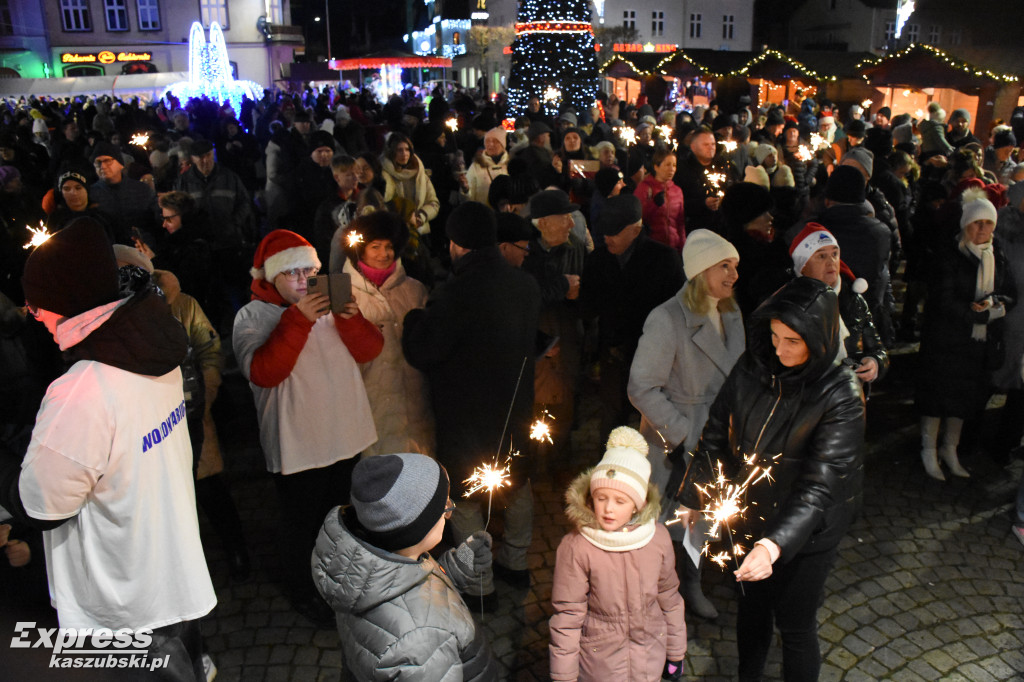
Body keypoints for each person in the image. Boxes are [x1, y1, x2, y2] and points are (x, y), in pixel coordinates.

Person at [0, 218, 216, 678]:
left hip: (122, 604)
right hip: (171, 575)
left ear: (67, 301)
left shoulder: (84, 390)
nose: (34, 316)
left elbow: (43, 504)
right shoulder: (155, 343)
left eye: (40, 306)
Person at [676, 276, 865, 682]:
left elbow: (819, 486)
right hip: (750, 515)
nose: (779, 350)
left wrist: (773, 545)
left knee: (796, 626)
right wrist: (694, 494)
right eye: (775, 336)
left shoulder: (841, 394)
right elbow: (715, 433)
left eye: (792, 341)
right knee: (752, 611)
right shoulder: (754, 363)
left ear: (818, 337)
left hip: (807, 533)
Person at [233, 229, 384, 624]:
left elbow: (370, 350)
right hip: (299, 443)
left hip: (345, 434)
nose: (303, 280)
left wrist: (351, 320)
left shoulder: (332, 309)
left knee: (343, 516)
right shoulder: (252, 316)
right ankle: (303, 589)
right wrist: (298, 320)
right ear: (270, 277)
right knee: (301, 525)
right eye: (292, 273)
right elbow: (264, 371)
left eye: (310, 271)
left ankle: (342, 579)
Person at [402, 202, 542, 603]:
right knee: (517, 485)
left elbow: (424, 351)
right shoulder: (524, 285)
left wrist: (413, 319)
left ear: (456, 245)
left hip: (466, 418)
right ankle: (516, 564)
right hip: (515, 411)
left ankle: (480, 585)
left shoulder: (453, 294)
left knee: (465, 498)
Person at [628, 229, 744, 621]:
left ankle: (692, 583)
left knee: (703, 520)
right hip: (675, 442)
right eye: (724, 266)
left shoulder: (731, 311)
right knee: (663, 522)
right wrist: (683, 434)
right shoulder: (666, 319)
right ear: (700, 270)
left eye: (735, 266)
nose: (734, 274)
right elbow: (641, 388)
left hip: (719, 436)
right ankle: (650, 595)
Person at [312, 453, 499, 680]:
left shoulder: (360, 567)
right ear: (416, 529)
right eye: (444, 507)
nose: (450, 512)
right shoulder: (421, 640)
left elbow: (411, 592)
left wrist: (457, 568)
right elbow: (416, 614)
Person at [549, 426, 686, 682]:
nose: (608, 509)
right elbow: (567, 615)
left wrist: (675, 652)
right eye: (601, 498)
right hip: (600, 665)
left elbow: (669, 596)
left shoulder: (657, 538)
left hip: (649, 661)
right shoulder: (577, 546)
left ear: (639, 504)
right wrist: (564, 676)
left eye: (620, 501)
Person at [916, 189, 1015, 480]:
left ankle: (950, 449)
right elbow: (943, 299)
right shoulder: (951, 254)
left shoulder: (998, 256)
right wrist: (977, 313)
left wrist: (996, 304)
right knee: (937, 397)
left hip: (976, 342)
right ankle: (928, 449)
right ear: (965, 225)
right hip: (946, 340)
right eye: (977, 223)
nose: (983, 229)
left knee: (961, 399)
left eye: (988, 223)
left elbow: (1010, 293)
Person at [581, 194, 683, 434]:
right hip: (613, 355)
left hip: (653, 357)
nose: (606, 238)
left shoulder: (664, 259)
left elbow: (677, 310)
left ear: (635, 230)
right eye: (604, 232)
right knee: (611, 421)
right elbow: (588, 307)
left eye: (614, 232)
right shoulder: (598, 259)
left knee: (651, 422)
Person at [341, 211, 434, 457]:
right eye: (375, 247)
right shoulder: (346, 296)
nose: (384, 254)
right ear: (361, 250)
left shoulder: (414, 290)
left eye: (389, 246)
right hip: (372, 403)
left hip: (417, 402)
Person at [789, 223, 889, 385]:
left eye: (835, 254)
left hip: (850, 394)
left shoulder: (853, 299)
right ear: (803, 265)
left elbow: (877, 348)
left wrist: (874, 362)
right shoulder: (788, 303)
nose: (831, 262)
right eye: (821, 256)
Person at [381, 133, 440, 239]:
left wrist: (420, 217)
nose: (404, 153)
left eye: (407, 149)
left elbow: (433, 203)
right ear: (392, 152)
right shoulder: (384, 175)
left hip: (419, 231)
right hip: (395, 232)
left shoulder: (419, 174)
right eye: (399, 150)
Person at [635, 144, 686, 251]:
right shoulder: (645, 188)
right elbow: (637, 218)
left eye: (674, 165)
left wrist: (683, 246)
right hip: (652, 247)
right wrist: (654, 204)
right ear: (656, 167)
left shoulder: (677, 190)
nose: (672, 169)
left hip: (673, 247)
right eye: (667, 165)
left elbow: (680, 223)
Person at [467, 126, 508, 205]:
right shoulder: (476, 166)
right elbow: (468, 198)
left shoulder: (510, 165)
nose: (491, 144)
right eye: (488, 141)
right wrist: (465, 190)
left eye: (495, 141)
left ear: (503, 144)